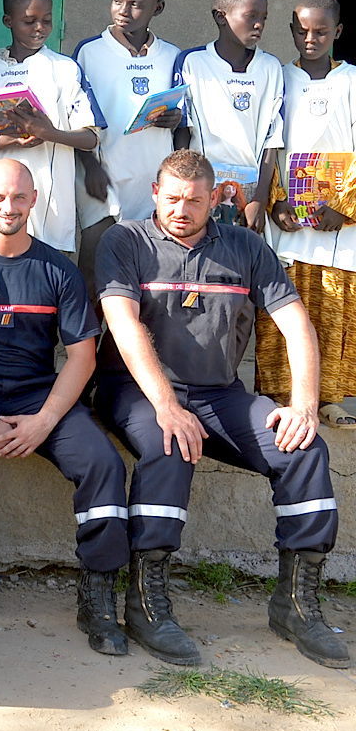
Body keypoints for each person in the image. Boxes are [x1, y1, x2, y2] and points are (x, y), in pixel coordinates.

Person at [98, 149, 346, 668]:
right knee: (171, 444)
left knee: (304, 451)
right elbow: (122, 324)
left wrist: (303, 406)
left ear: (215, 198)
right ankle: (147, 606)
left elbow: (297, 325)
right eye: (171, 199)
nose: (180, 210)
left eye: (193, 200)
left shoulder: (247, 247)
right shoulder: (125, 240)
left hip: (220, 394)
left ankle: (296, 605)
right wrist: (165, 405)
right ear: (154, 195)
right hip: (139, 391)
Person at [0, 158, 130, 655]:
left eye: (17, 197)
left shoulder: (59, 269)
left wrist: (44, 422)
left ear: (34, 200)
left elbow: (81, 356)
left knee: (102, 463)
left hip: (38, 392)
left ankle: (97, 592)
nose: (7, 207)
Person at [260, 0, 356, 427]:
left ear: (337, 31)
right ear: (292, 30)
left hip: (340, 223)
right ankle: (278, 391)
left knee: (334, 304)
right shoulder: (279, 79)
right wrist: (275, 199)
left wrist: (344, 206)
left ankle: (330, 398)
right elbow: (268, 144)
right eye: (301, 31)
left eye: (320, 31)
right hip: (290, 221)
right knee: (285, 303)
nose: (310, 38)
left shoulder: (352, 81)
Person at [0, 0, 102, 255]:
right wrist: (3, 140)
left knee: (42, 277)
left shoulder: (64, 69)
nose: (39, 27)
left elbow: (91, 137)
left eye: (47, 20)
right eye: (29, 21)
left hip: (48, 202)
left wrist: (47, 132)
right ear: (8, 21)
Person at [73, 0, 185, 288]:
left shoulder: (172, 57)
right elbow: (75, 119)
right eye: (117, 1)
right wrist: (89, 165)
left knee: (147, 274)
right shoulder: (89, 52)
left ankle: (125, 340)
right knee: (95, 271)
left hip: (152, 180)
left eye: (135, 4)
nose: (123, 11)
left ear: (157, 9)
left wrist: (173, 120)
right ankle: (87, 340)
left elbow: (182, 122)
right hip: (101, 177)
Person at [176, 0, 284, 233]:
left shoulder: (270, 67)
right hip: (201, 185)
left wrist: (259, 198)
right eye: (250, 16)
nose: (259, 24)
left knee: (243, 263)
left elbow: (272, 139)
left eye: (264, 18)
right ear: (221, 17)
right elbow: (182, 128)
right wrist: (184, 185)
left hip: (251, 190)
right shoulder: (193, 62)